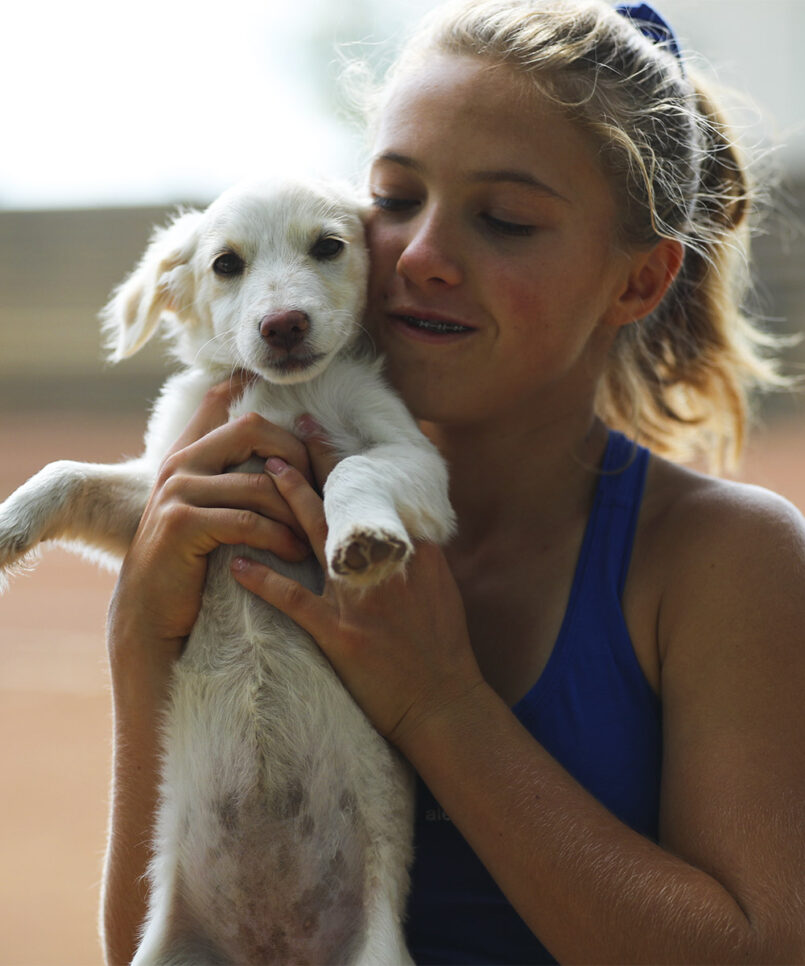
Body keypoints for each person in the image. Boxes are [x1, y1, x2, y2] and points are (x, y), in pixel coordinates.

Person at [101, 0, 805, 962]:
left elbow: (760, 951)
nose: (421, 257)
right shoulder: (248, 500)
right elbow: (172, 934)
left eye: (505, 221)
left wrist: (439, 705)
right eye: (393, 202)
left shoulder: (726, 559)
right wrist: (143, 638)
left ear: (637, 282)